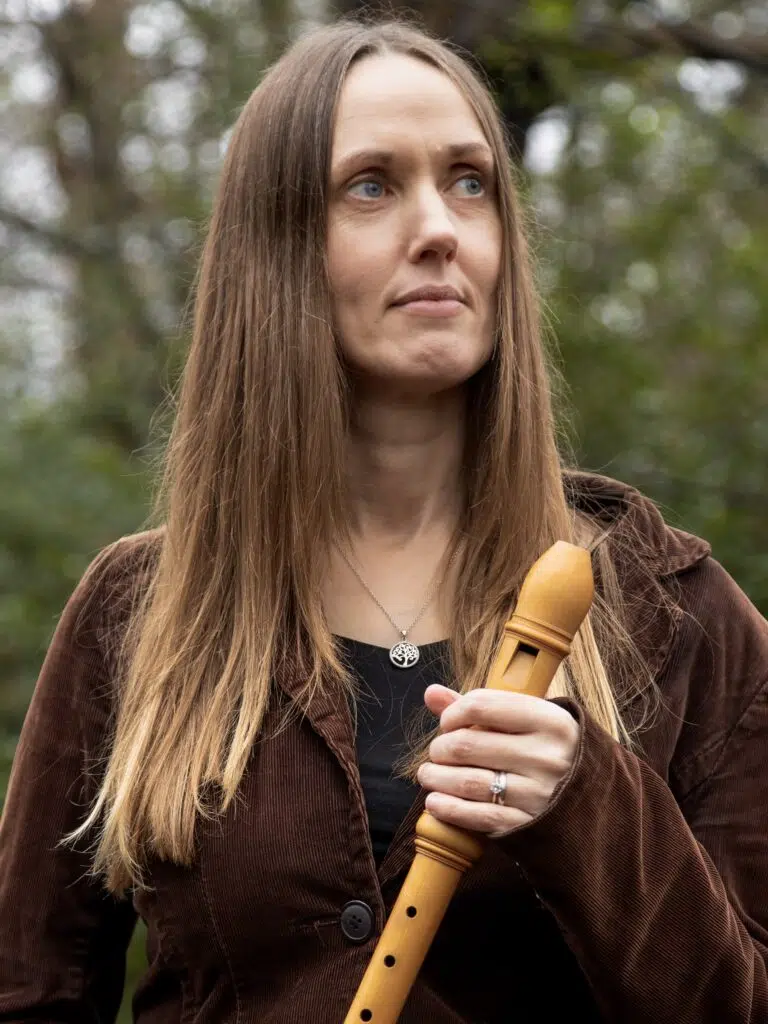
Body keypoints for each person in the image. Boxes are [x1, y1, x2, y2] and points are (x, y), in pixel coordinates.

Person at [1, 16, 767, 1024]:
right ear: (276, 250)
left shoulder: (674, 611)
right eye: (371, 186)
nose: (440, 227)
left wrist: (588, 805)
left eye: (469, 182)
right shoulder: (141, 610)